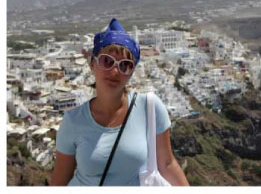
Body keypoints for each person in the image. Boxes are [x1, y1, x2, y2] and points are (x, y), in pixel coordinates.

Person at [50, 18, 190, 186]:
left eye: (125, 65)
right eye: (107, 61)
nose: (115, 71)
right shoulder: (73, 121)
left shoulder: (150, 108)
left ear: (131, 72)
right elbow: (60, 182)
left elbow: (167, 164)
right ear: (92, 64)